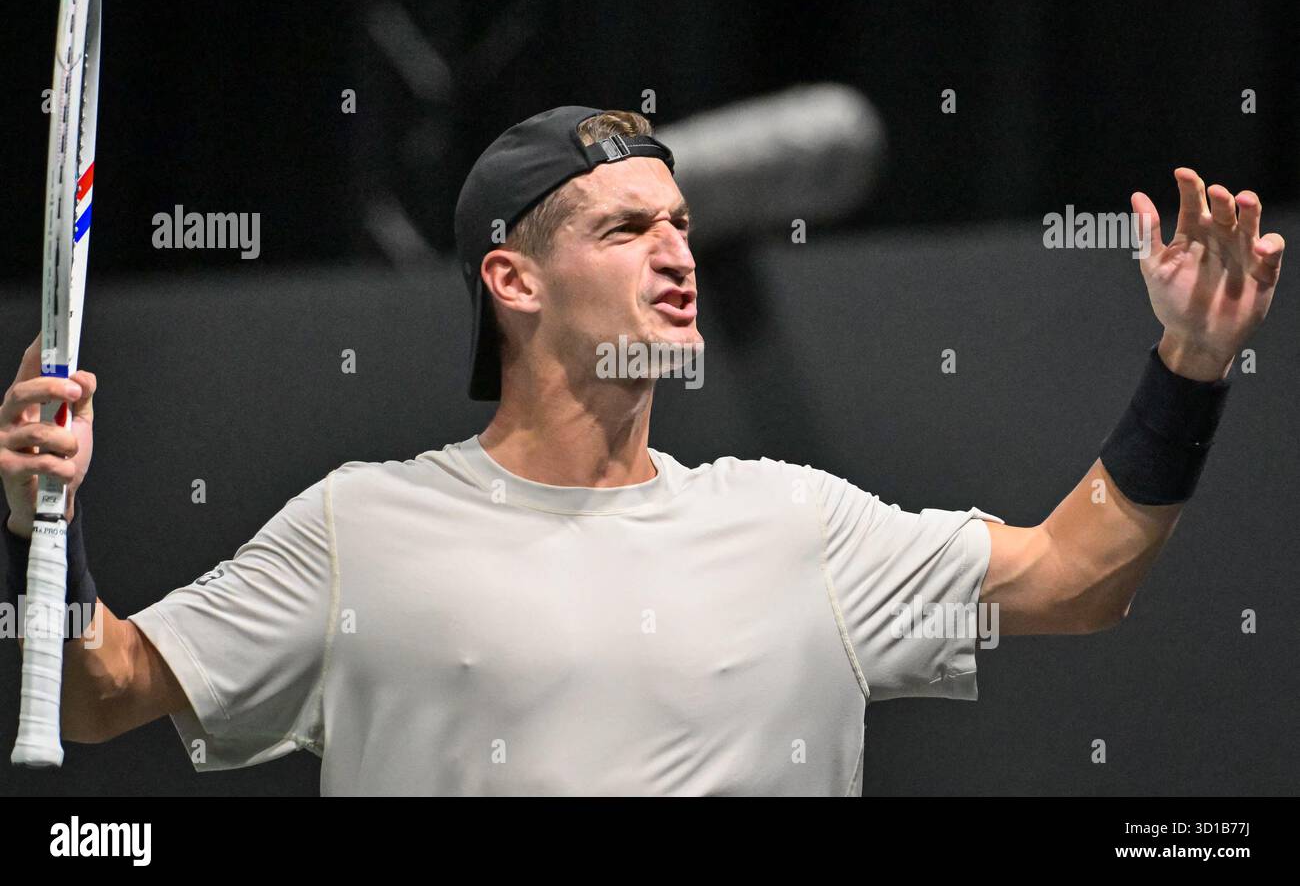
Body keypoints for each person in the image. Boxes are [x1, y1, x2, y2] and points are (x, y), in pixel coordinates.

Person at [1, 106, 1284, 795]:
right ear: (511, 276)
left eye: (679, 223)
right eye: (625, 230)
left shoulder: (802, 526)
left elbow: (1078, 574)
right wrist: (37, 524)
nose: (677, 253)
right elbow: (100, 689)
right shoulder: (358, 528)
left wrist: (1192, 363)